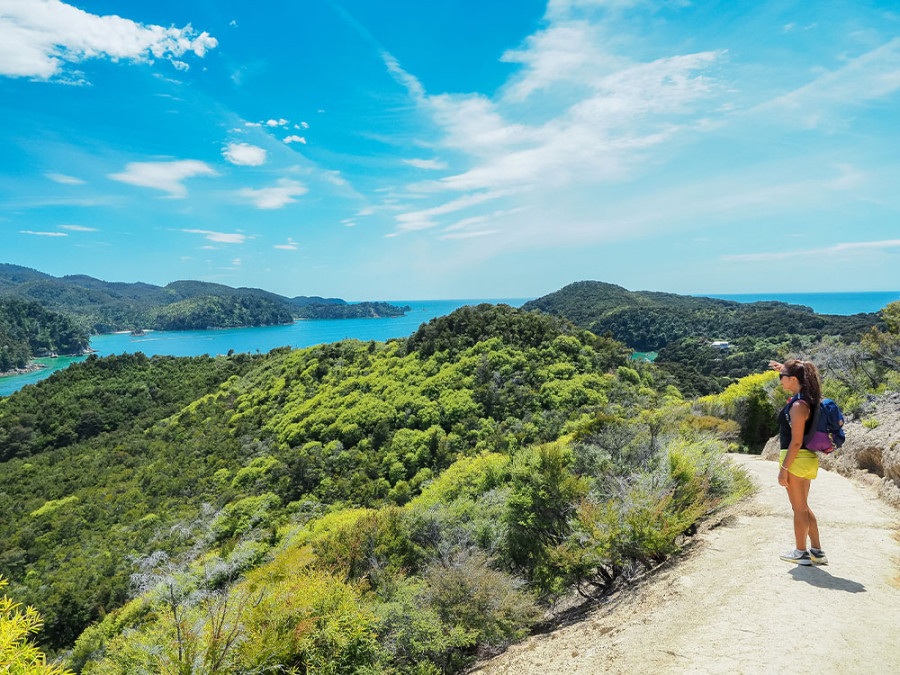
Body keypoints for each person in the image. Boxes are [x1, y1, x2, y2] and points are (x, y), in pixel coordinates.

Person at [768, 358, 828, 566]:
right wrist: (782, 368)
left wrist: (784, 469)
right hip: (806, 459)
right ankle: (817, 552)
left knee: (798, 509)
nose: (780, 380)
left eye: (781, 377)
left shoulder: (798, 405)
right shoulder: (806, 399)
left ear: (793, 379)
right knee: (803, 506)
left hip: (796, 459)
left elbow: (796, 442)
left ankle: (801, 552)